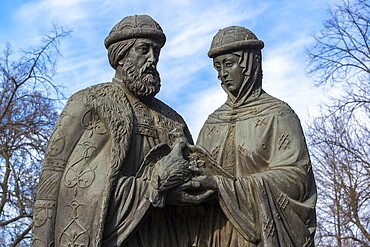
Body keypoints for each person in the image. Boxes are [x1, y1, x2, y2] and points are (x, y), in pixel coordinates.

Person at [31, 15, 194, 246]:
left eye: (156, 52)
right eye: (144, 50)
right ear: (121, 56)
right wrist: (152, 187)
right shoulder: (88, 101)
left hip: (162, 235)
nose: (152, 59)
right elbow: (54, 180)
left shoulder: (173, 120)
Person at [186, 26, 317, 246]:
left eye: (228, 64)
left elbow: (297, 178)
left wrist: (224, 186)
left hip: (259, 234)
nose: (222, 74)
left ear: (249, 63)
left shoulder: (279, 114)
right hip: (215, 234)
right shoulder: (211, 123)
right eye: (217, 67)